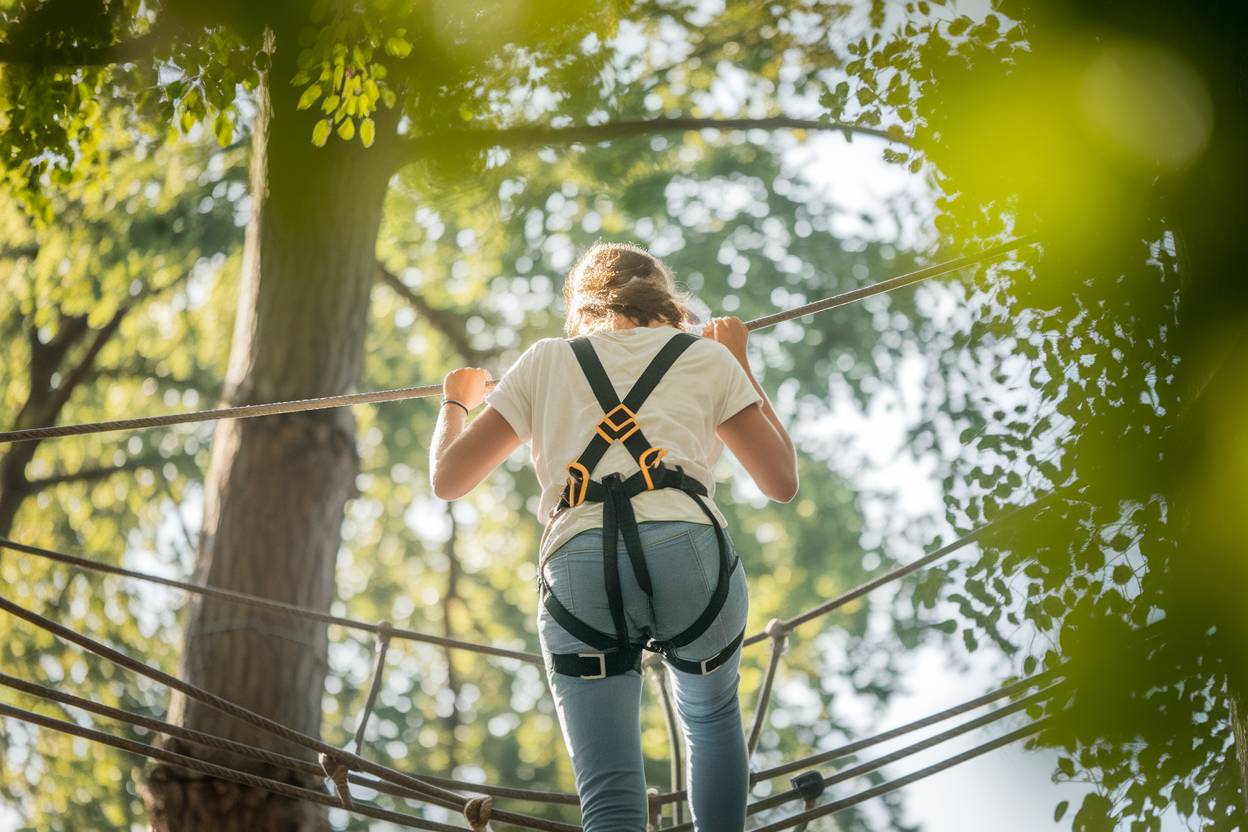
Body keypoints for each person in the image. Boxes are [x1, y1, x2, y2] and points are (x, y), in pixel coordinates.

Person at [429, 242, 798, 832]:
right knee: (710, 718)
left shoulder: (545, 360)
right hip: (689, 548)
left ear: (581, 304)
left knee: (609, 796)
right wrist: (738, 361)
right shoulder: (705, 357)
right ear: (664, 297)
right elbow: (780, 481)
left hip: (579, 562)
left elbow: (449, 479)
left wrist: (456, 402)